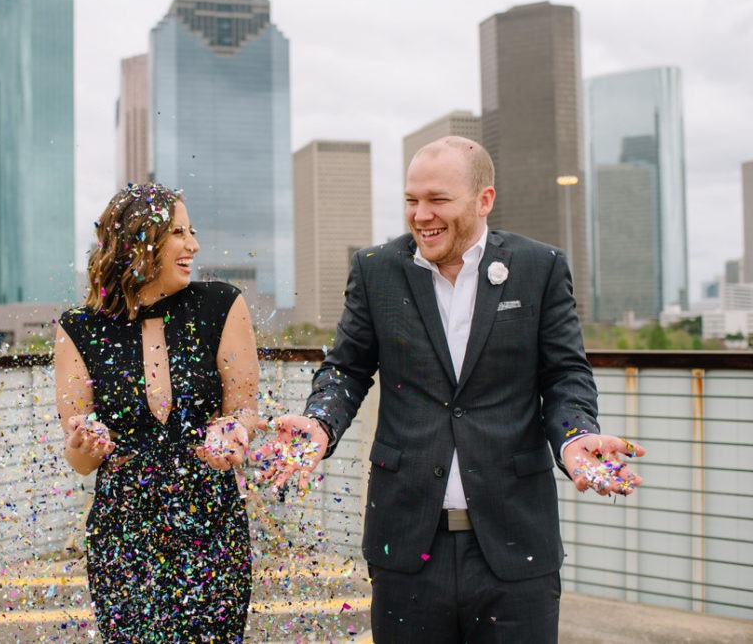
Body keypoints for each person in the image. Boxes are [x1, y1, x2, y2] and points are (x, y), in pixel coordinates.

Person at [260, 137, 644, 643]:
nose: (421, 215)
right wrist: (319, 422)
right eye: (411, 200)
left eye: (438, 200)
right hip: (406, 543)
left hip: (516, 544)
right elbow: (346, 369)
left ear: (484, 200)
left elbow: (565, 375)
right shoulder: (375, 269)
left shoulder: (540, 267)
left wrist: (575, 438)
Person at [54, 183, 260, 643]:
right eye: (179, 233)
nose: (194, 245)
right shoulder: (78, 329)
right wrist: (83, 446)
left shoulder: (222, 304)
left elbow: (244, 408)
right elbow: (82, 462)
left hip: (210, 522)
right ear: (139, 240)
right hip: (123, 533)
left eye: (192, 231)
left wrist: (232, 432)